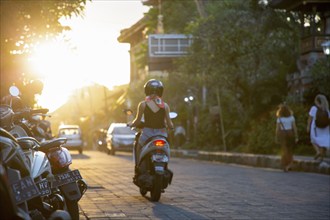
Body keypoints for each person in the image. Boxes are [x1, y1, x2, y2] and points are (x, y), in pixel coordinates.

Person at [128, 79, 174, 170]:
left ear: (147, 91)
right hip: (162, 134)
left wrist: (132, 124)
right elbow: (170, 124)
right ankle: (165, 164)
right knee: (167, 148)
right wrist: (171, 127)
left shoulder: (143, 105)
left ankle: (138, 166)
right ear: (160, 91)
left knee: (138, 146)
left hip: (147, 133)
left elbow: (137, 121)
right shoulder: (165, 106)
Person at [275, 104, 299, 172]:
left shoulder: (279, 118)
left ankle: (284, 165)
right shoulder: (291, 118)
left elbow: (277, 129)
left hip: (282, 134)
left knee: (284, 149)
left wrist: (276, 137)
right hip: (290, 133)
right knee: (290, 149)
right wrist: (296, 136)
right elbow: (294, 128)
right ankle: (290, 164)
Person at [307, 94, 330, 161]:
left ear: (317, 101)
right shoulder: (327, 111)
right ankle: (321, 157)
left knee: (313, 140)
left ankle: (318, 151)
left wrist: (308, 126)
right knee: (324, 142)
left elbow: (310, 119)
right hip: (325, 128)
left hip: (315, 128)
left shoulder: (314, 108)